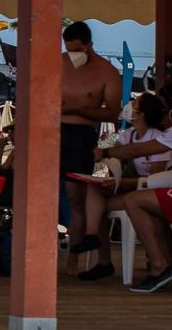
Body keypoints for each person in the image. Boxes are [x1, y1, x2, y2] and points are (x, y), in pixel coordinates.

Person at [72, 92, 170, 280]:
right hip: (133, 186)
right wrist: (111, 168)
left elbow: (153, 177)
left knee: (105, 204)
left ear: (141, 114)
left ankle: (157, 264)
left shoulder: (158, 137)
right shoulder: (128, 134)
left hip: (150, 188)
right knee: (95, 192)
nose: (129, 105)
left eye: (134, 103)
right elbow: (114, 152)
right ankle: (94, 241)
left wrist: (118, 174)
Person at [60, 21, 121, 274]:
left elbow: (113, 114)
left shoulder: (107, 72)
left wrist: (77, 109)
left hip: (81, 134)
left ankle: (73, 258)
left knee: (77, 197)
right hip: (52, 130)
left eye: (77, 51)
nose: (73, 56)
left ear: (90, 45)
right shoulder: (58, 63)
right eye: (68, 50)